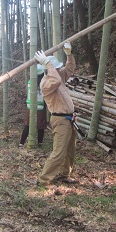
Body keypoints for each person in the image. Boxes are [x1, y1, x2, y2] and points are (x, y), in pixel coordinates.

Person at [34, 42, 77, 187]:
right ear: (48, 69)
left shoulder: (58, 76)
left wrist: (69, 54)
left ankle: (64, 174)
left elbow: (70, 69)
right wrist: (47, 63)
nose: (59, 70)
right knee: (59, 152)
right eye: (56, 68)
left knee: (70, 150)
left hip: (70, 119)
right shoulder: (47, 83)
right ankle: (44, 180)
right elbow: (56, 79)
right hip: (60, 120)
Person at [19, 64, 47, 148]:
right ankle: (40, 143)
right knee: (40, 126)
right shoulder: (44, 83)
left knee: (28, 125)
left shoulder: (30, 82)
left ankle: (21, 143)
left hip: (30, 107)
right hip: (40, 107)